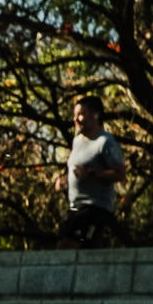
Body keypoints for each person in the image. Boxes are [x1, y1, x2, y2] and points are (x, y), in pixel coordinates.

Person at [55, 94, 128, 249]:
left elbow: (121, 174)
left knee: (70, 245)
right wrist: (65, 180)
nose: (75, 119)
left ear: (96, 115)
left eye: (80, 115)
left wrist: (94, 174)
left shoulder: (105, 142)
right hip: (76, 207)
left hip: (95, 208)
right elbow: (76, 171)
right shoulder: (77, 141)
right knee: (62, 244)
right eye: (74, 115)